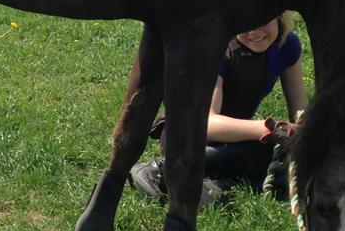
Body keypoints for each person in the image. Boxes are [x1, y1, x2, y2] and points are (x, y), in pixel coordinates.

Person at [129, 13, 308, 206]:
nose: (254, 32)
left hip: (233, 140)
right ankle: (159, 170)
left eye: (262, 20)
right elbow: (207, 123)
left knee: (273, 153)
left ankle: (215, 188)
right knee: (254, 155)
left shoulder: (287, 45)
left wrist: (307, 134)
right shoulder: (216, 48)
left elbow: (300, 115)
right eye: (244, 22)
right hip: (187, 137)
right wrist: (268, 130)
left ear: (279, 15)